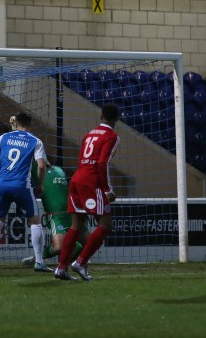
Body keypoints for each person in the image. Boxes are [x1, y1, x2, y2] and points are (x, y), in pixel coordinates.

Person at [55, 103, 121, 281]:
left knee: (77, 225)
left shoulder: (89, 134)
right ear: (117, 118)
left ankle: (61, 268)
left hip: (77, 178)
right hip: (91, 182)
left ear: (101, 115)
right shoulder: (112, 136)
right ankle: (81, 262)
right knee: (105, 225)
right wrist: (107, 189)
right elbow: (102, 163)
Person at [0, 112, 50, 273]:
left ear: (16, 122)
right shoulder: (35, 141)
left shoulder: (3, 138)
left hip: (3, 184)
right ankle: (39, 261)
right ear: (30, 124)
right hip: (22, 186)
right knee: (34, 220)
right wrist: (40, 185)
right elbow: (41, 166)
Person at [20, 160, 90, 267]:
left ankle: (71, 260)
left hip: (71, 214)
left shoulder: (59, 170)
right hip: (56, 216)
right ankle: (37, 258)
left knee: (90, 243)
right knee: (59, 247)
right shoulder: (36, 168)